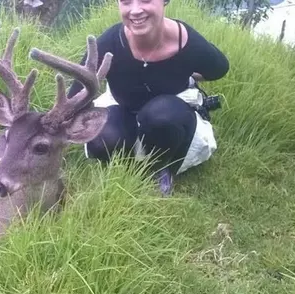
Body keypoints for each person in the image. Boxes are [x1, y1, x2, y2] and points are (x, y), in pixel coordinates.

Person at [67, 0, 230, 196]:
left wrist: (186, 73)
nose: (135, 10)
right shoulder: (109, 42)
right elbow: (76, 94)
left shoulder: (185, 41)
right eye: (126, 2)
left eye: (146, 0)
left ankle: (161, 164)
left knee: (160, 117)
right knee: (101, 138)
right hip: (124, 107)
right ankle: (128, 168)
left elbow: (218, 68)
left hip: (170, 112)